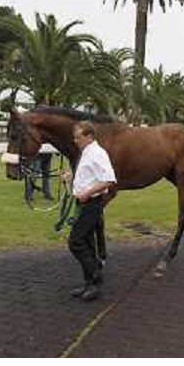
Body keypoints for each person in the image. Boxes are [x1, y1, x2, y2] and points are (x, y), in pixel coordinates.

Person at [62, 121, 116, 302]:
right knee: (87, 242)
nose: (75, 140)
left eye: (78, 137)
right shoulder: (87, 152)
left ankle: (95, 276)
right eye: (75, 137)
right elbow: (88, 178)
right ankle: (90, 284)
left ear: (89, 136)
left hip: (92, 204)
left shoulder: (98, 153)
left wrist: (86, 193)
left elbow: (108, 180)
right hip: (84, 203)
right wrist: (70, 179)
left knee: (75, 242)